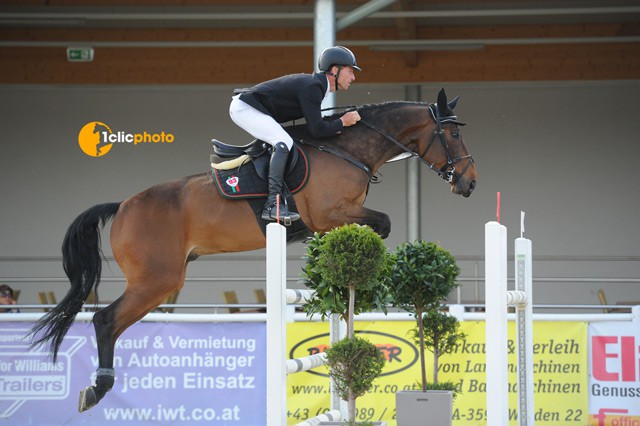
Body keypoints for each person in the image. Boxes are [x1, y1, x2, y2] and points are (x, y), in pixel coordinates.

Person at [230, 46, 362, 223]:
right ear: (335, 70)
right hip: (245, 108)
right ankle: (273, 205)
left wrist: (339, 123)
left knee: (285, 140)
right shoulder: (314, 86)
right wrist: (343, 122)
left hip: (251, 108)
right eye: (350, 71)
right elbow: (317, 130)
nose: (353, 77)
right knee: (283, 142)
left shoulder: (317, 86)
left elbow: (314, 126)